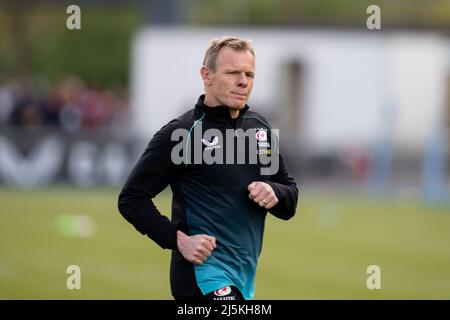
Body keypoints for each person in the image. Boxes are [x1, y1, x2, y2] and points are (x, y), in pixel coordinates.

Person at [118, 36, 298, 300]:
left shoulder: (259, 130)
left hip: (243, 277)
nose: (243, 81)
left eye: (249, 74)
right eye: (233, 72)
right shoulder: (182, 133)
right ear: (207, 75)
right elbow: (132, 198)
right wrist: (178, 239)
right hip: (201, 276)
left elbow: (289, 199)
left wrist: (275, 192)